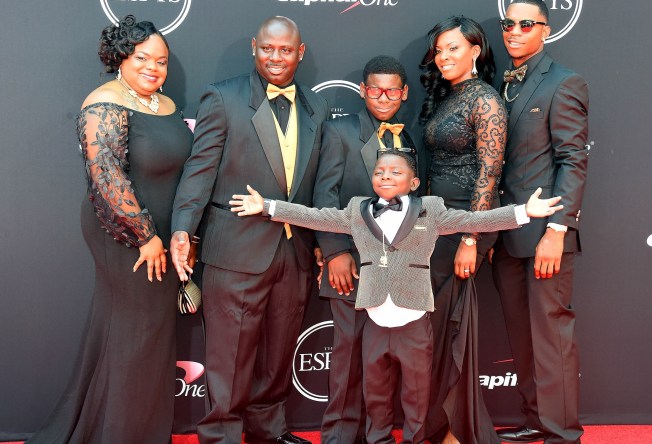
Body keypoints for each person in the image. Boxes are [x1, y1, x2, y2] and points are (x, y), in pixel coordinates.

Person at [229, 151, 563, 444]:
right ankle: (379, 439)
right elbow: (314, 216)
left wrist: (523, 213)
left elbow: (474, 219)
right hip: (374, 319)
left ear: (414, 182)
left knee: (415, 397)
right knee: (375, 396)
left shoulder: (430, 211)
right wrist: (268, 207)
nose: (385, 177)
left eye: (395, 172)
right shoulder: (358, 210)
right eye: (380, 172)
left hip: (414, 321)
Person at [26, 15, 194, 444]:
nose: (153, 67)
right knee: (137, 332)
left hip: (162, 233)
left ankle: (118, 428)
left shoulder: (166, 104)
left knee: (140, 333)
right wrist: (146, 236)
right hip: (124, 235)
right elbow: (106, 179)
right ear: (122, 57)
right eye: (142, 57)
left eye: (161, 60)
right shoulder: (103, 103)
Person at [168, 16, 329, 444]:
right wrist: (182, 229)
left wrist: (325, 245)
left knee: (277, 354)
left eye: (285, 50)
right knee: (230, 356)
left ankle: (268, 431)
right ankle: (221, 435)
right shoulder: (223, 98)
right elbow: (198, 172)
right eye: (267, 49)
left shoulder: (316, 105)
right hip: (235, 250)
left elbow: (319, 187)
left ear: (301, 52)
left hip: (293, 251)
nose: (275, 58)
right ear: (254, 48)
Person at [491, 1, 590, 443]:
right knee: (523, 339)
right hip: (507, 236)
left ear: (545, 30)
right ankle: (535, 420)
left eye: (525, 24)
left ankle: (562, 433)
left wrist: (557, 230)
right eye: (508, 23)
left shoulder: (564, 83)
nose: (514, 30)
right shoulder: (501, 85)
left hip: (545, 237)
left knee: (551, 337)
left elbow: (573, 161)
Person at [312, 55, 424, 444]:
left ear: (404, 93)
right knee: (347, 355)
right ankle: (340, 436)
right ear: (363, 90)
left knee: (384, 363)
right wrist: (334, 252)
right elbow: (324, 194)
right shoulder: (340, 131)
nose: (383, 96)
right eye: (375, 88)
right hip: (352, 265)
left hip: (398, 272)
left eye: (392, 89)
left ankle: (379, 434)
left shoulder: (410, 138)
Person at [418, 15, 506, 444]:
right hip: (433, 227)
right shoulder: (445, 97)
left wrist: (472, 237)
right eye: (439, 49)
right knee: (434, 331)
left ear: (475, 50)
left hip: (461, 227)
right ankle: (437, 425)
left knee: (455, 329)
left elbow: (489, 173)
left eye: (453, 47)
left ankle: (457, 431)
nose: (444, 56)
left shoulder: (485, 100)